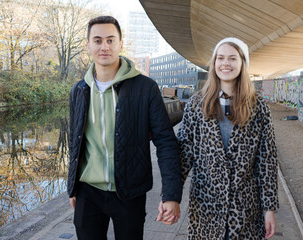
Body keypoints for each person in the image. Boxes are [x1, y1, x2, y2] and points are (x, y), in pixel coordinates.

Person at [67, 16, 182, 240]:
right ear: (88, 45)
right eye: (98, 40)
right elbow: (75, 140)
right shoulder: (78, 91)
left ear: (120, 43)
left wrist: (171, 195)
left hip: (129, 192)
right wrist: (72, 187)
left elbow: (166, 142)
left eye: (111, 40)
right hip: (87, 193)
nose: (104, 47)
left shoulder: (145, 88)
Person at [177, 37, 279, 240]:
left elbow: (267, 160)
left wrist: (269, 209)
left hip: (245, 208)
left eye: (232, 58)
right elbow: (183, 153)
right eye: (220, 58)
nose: (225, 63)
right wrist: (170, 196)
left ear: (242, 64)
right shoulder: (197, 104)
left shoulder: (257, 107)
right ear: (214, 63)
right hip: (205, 206)